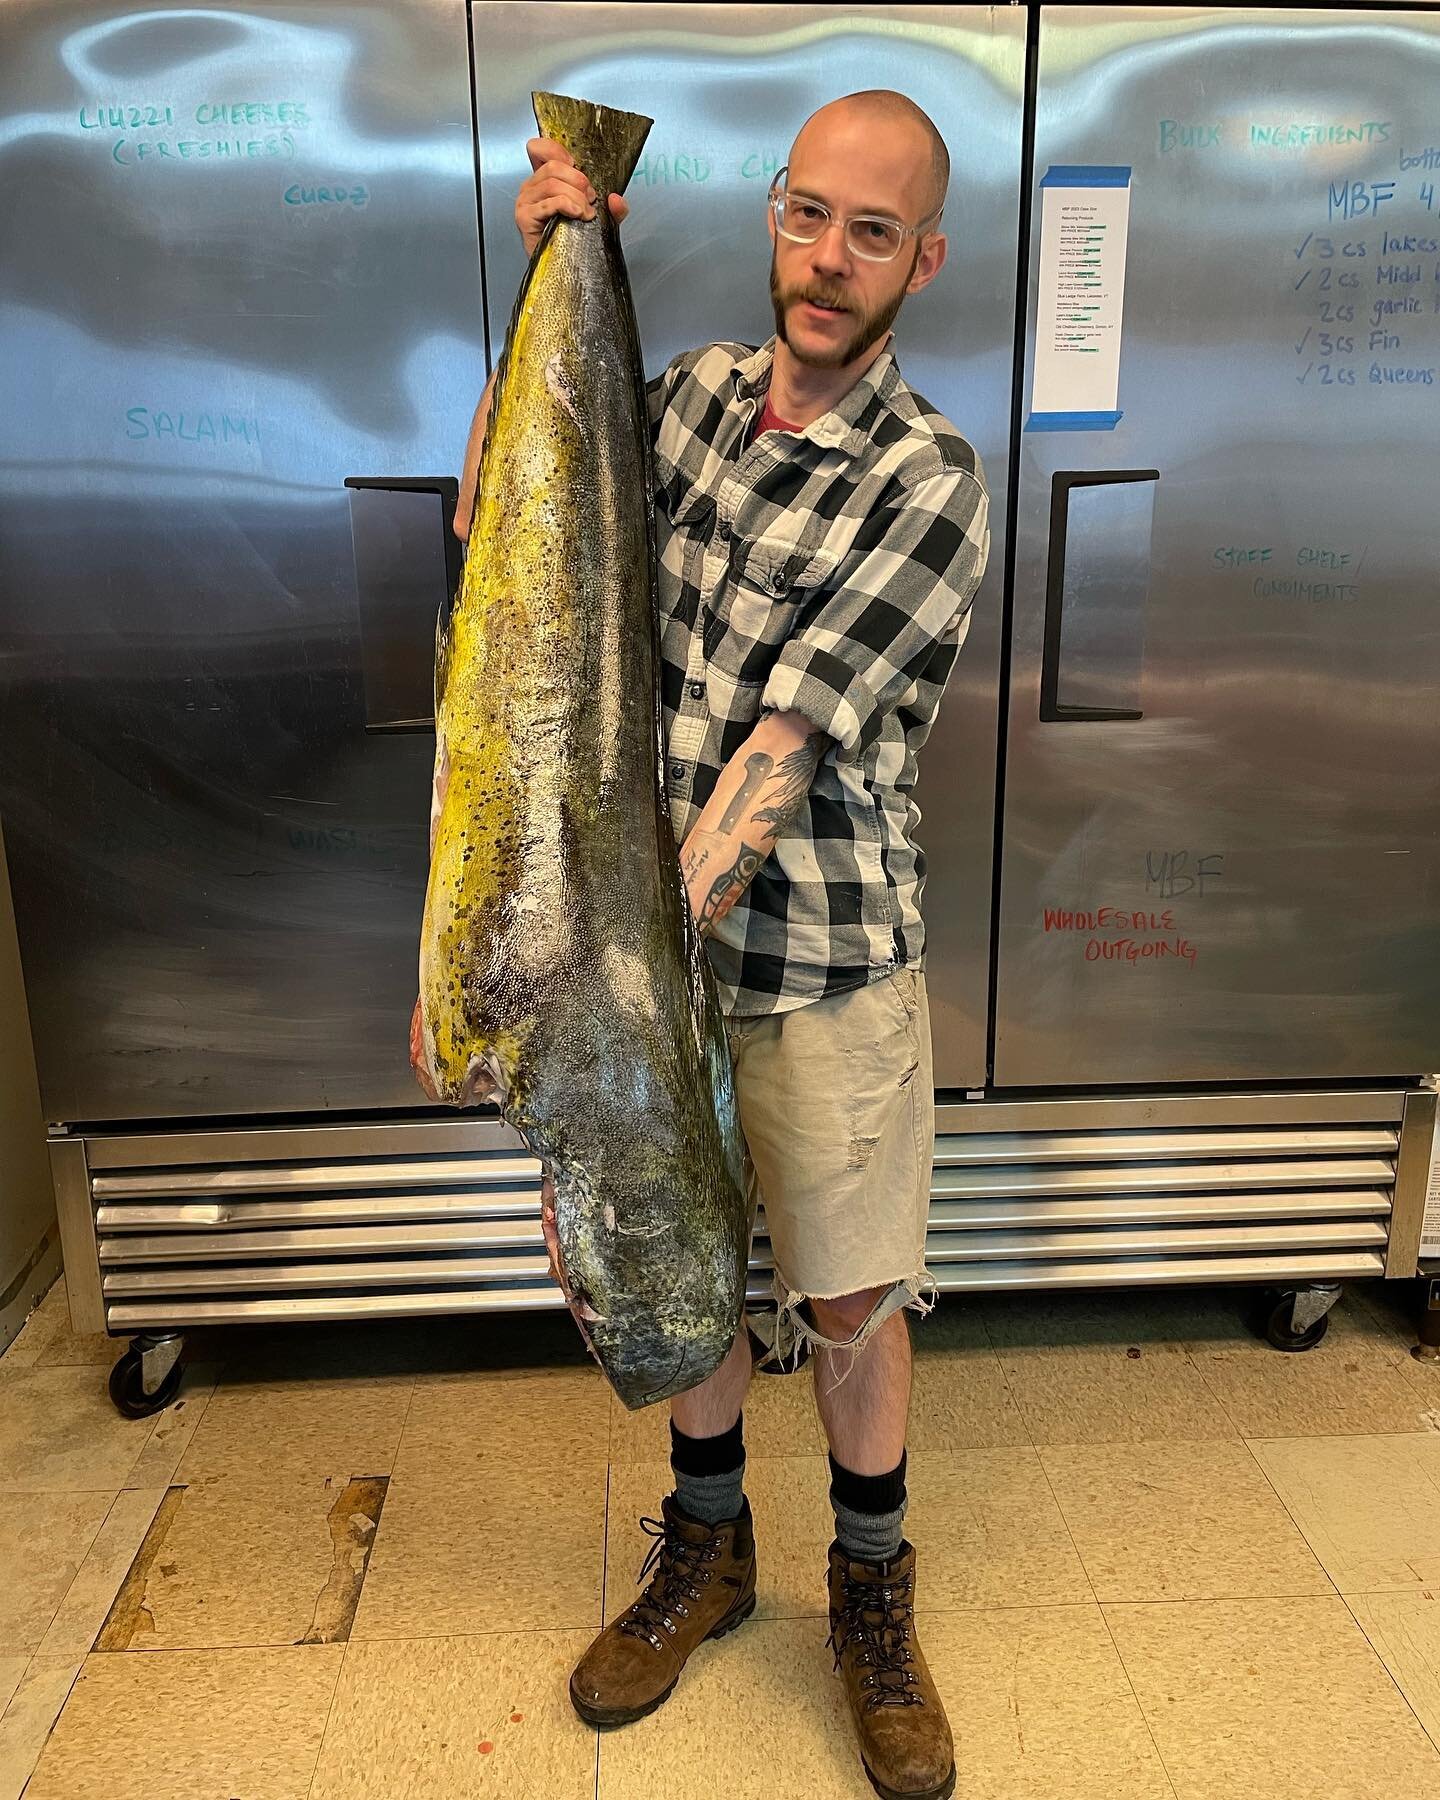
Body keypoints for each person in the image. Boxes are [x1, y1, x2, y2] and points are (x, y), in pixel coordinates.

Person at [450, 89, 989, 1800]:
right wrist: (554, 257)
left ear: (927, 256)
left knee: (843, 1299)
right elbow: (499, 530)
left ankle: (871, 1597)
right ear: (773, 210)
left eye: (875, 232)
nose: (830, 262)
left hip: (818, 965)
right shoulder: (676, 399)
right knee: (677, 1266)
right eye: (810, 215)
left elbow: (778, 758)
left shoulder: (930, 479)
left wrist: (535, 985)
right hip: (641, 969)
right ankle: (709, 1551)